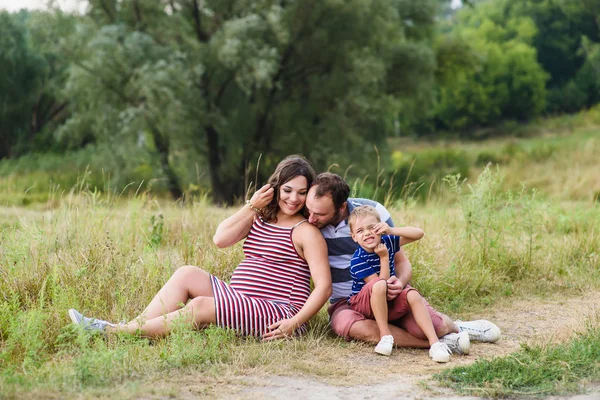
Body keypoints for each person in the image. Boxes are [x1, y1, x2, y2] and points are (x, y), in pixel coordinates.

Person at [68, 155, 332, 340]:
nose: (293, 198)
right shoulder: (261, 217)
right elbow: (220, 240)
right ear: (275, 187)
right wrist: (252, 205)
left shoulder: (305, 232)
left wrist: (294, 323)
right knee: (187, 273)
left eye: (301, 192)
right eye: (287, 190)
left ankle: (113, 333)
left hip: (278, 312)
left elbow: (324, 287)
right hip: (240, 300)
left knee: (203, 305)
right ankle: (132, 327)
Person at [305, 172, 500, 354]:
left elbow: (402, 262)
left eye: (319, 214)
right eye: (309, 210)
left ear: (341, 207)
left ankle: (457, 327)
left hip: (388, 292)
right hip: (347, 303)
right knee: (352, 326)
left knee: (435, 325)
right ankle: (440, 342)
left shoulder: (373, 214)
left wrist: (399, 282)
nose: (311, 218)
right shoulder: (308, 223)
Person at [348, 205, 465, 362]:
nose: (367, 233)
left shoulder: (387, 241)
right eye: (360, 231)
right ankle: (385, 336)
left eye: (371, 227)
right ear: (353, 236)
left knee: (413, 294)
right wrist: (384, 258)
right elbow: (380, 284)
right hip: (366, 304)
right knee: (379, 285)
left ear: (379, 227)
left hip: (388, 295)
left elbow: (419, 234)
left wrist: (391, 230)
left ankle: (435, 344)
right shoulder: (357, 260)